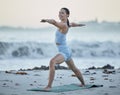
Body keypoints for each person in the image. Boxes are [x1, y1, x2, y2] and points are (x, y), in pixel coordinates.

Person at [41, 7, 85, 90]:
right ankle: (83, 84)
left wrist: (46, 20)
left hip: (64, 52)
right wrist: (80, 25)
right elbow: (72, 24)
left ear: (67, 15)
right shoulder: (66, 24)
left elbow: (54, 22)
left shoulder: (63, 25)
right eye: (59, 12)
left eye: (62, 13)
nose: (60, 14)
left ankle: (49, 86)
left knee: (52, 62)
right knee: (74, 69)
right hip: (66, 51)